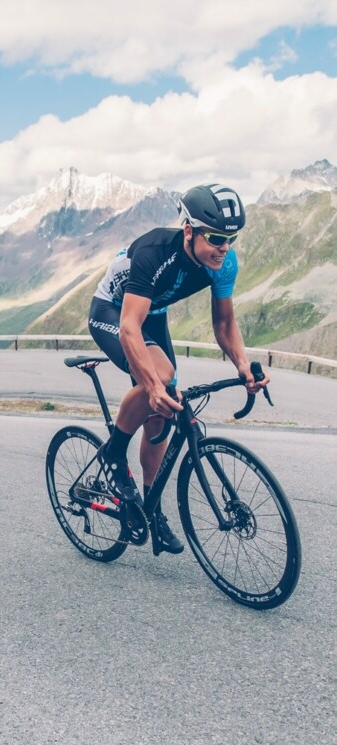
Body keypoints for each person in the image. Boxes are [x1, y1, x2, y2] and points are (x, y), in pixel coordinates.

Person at [88, 183, 269, 556]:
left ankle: (150, 510)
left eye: (232, 239)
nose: (225, 247)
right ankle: (113, 451)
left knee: (162, 416)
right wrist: (153, 384)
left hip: (152, 315)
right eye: (217, 237)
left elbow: (224, 324)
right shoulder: (154, 253)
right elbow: (128, 329)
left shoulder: (223, 261)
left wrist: (242, 365)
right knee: (163, 380)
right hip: (114, 312)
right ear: (189, 230)